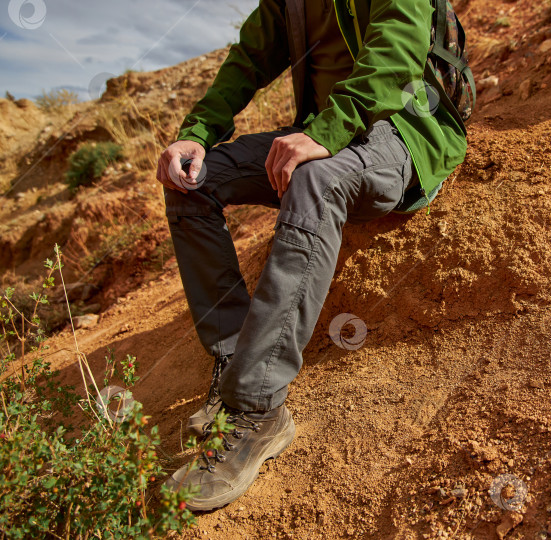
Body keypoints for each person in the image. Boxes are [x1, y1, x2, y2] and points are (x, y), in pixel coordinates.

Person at [155, 0, 467, 511]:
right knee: (192, 184)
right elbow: (248, 59)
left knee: (315, 178)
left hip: (404, 129)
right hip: (328, 130)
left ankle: (257, 409)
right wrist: (197, 132)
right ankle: (236, 359)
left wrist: (322, 133)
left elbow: (395, 55)